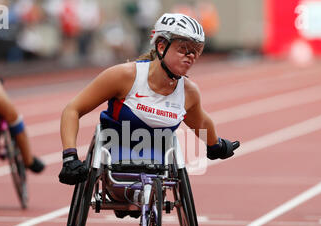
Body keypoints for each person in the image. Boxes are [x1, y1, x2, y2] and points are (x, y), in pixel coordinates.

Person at [59, 13, 239, 215]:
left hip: (157, 171)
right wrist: (70, 157)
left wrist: (216, 145)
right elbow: (72, 110)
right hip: (115, 164)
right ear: (161, 46)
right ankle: (132, 199)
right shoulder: (124, 76)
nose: (191, 56)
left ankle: (137, 201)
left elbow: (202, 121)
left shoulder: (189, 92)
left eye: (196, 52)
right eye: (184, 49)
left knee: (143, 197)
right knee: (132, 199)